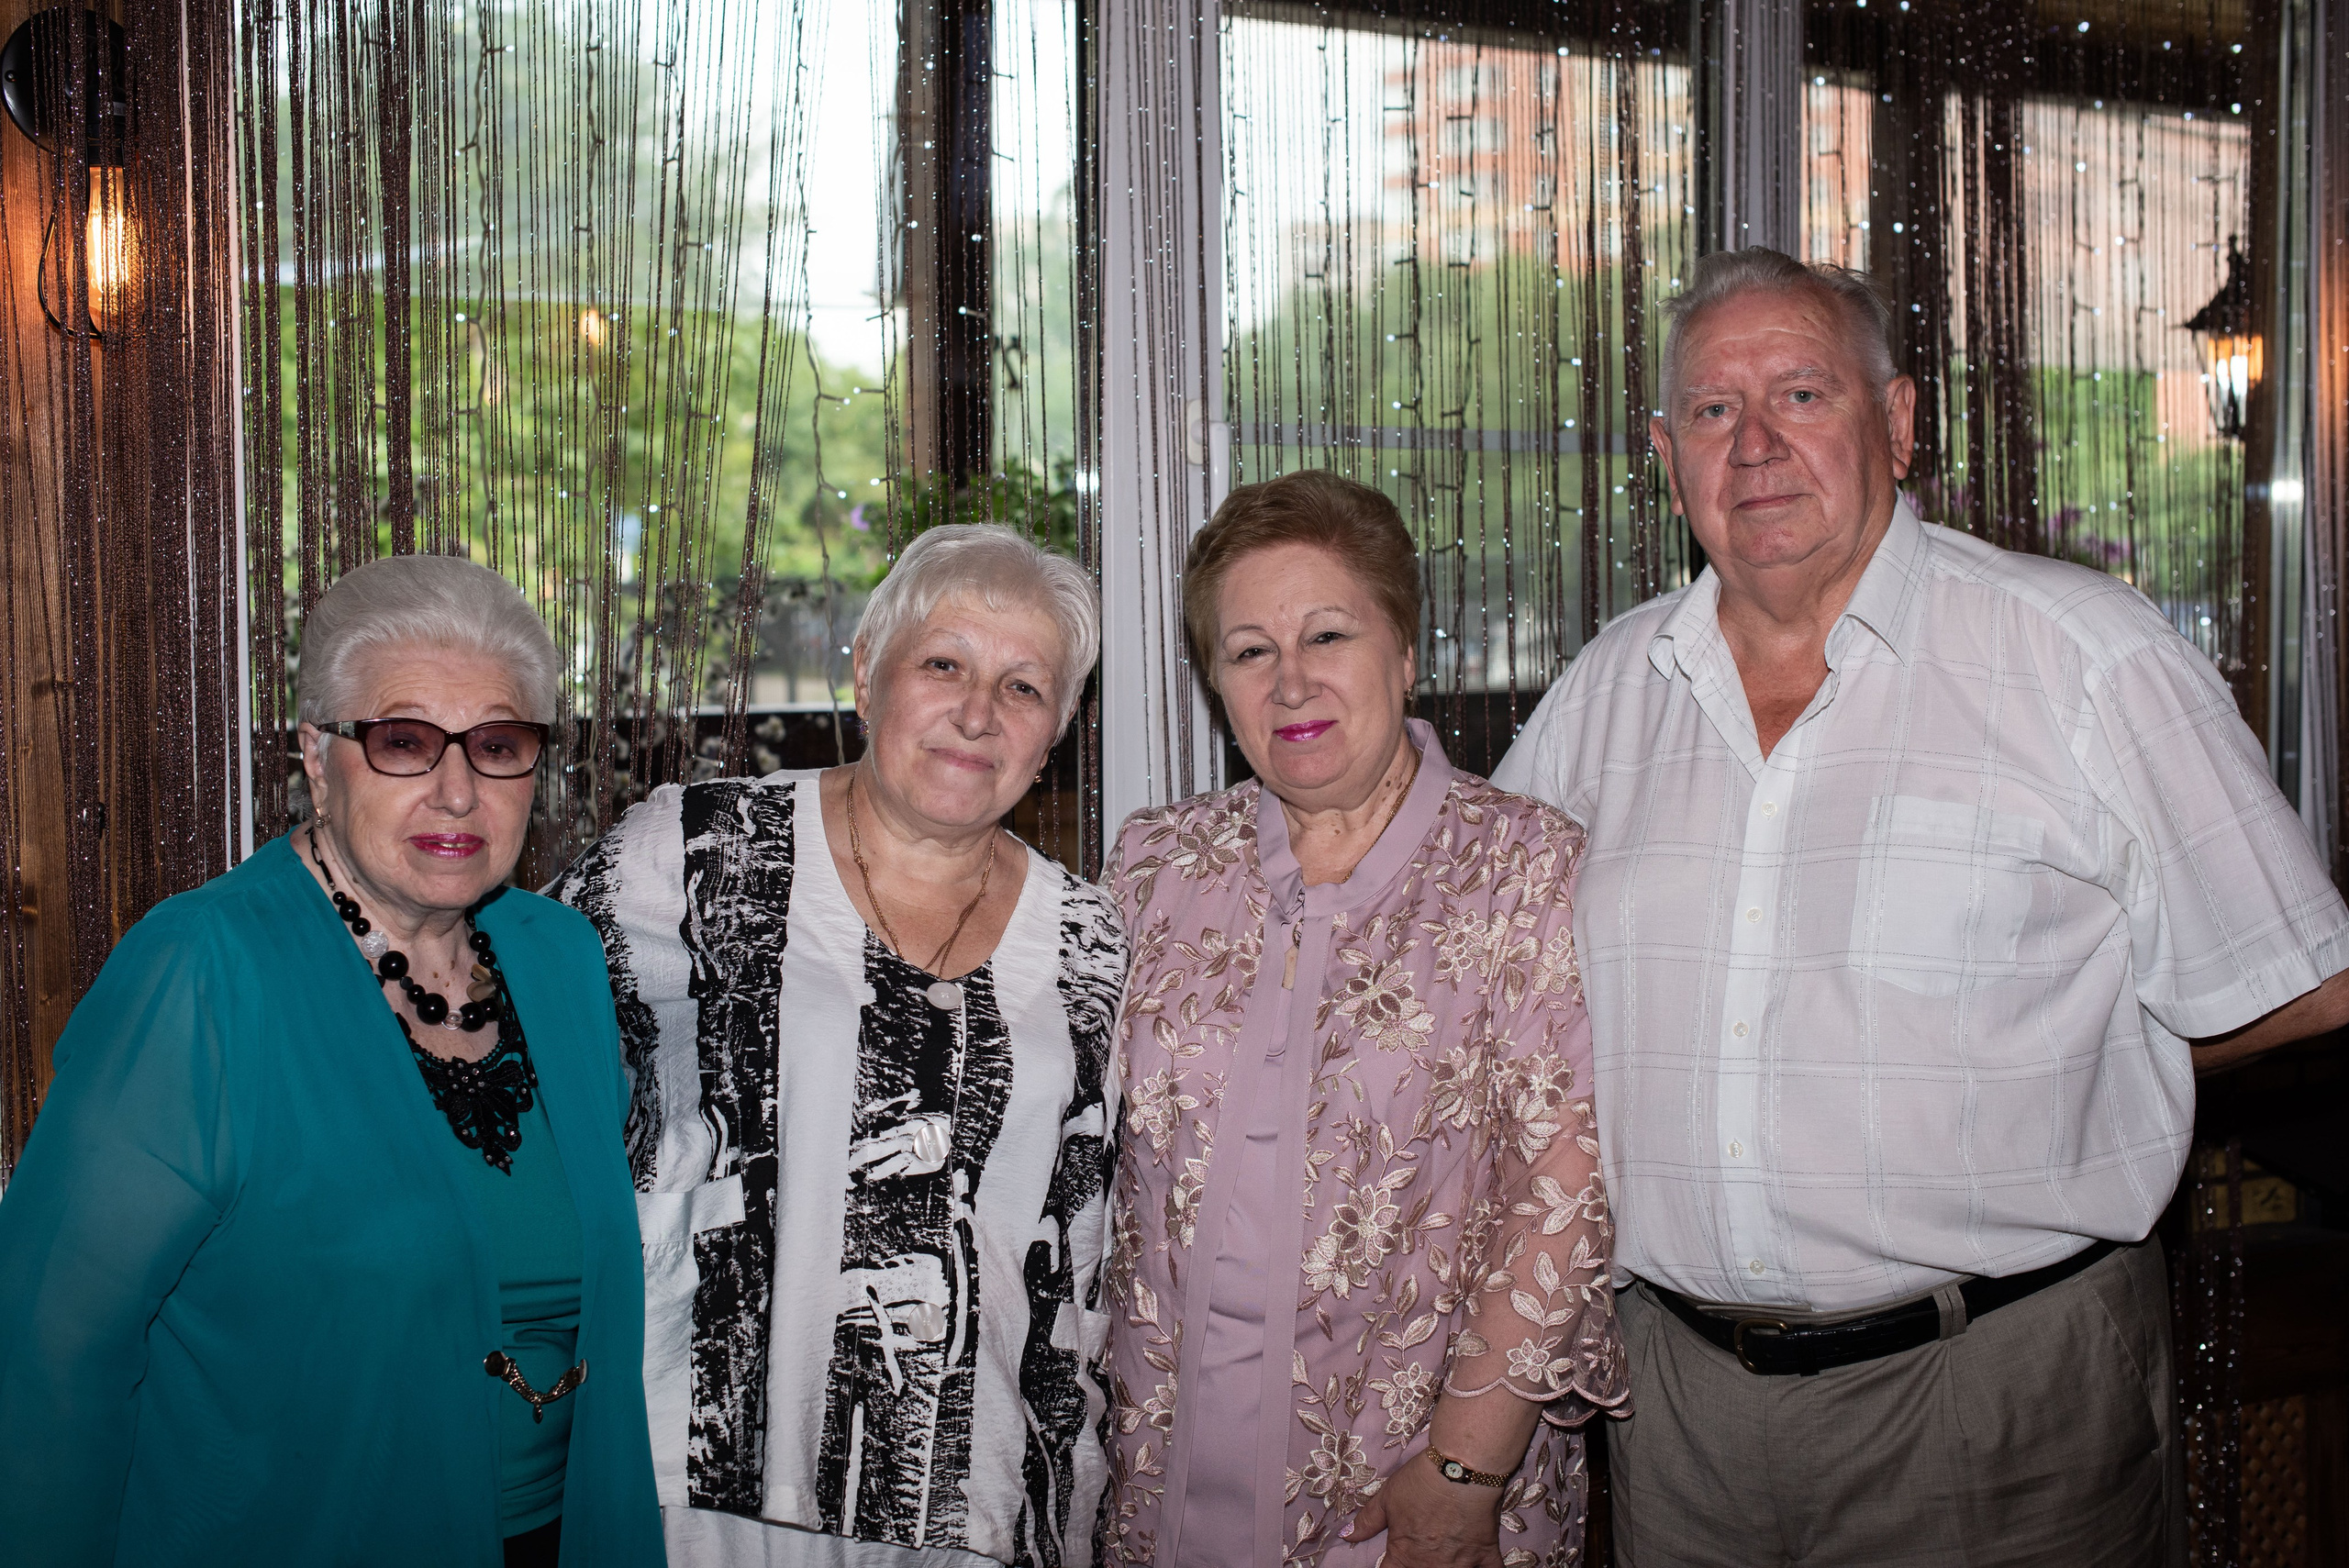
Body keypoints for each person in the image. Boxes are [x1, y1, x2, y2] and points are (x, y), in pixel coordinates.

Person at [1491, 247, 2349, 1566]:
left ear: (1896, 422)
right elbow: (1480, 979)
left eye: (1801, 394)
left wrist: (2093, 1054)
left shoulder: (2082, 656)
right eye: (1714, 410)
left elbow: (2302, 977)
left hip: (1995, 1395)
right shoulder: (1605, 692)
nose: (1756, 444)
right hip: (1674, 1410)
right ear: (1666, 456)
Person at [0, 555, 663, 1567]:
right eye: (404, 742)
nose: (457, 791)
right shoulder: (201, 972)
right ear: (317, 755)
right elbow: (46, 1357)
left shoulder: (561, 957)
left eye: (497, 745)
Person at [550, 523, 1122, 1567]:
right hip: (700, 1488)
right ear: (866, 675)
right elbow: (509, 1041)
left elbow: (1083, 1254)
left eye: (1023, 687)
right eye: (942, 664)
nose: (977, 712)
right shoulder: (695, 851)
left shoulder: (1090, 938)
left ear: (1056, 731)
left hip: (974, 1503)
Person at [1099, 470, 1627, 1568]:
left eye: (1327, 635)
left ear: (1406, 652)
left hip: (1408, 1497)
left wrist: (1461, 1471)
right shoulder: (1153, 864)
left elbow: (1565, 1187)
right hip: (1164, 1472)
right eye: (1250, 650)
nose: (1290, 679)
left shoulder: (1525, 867)